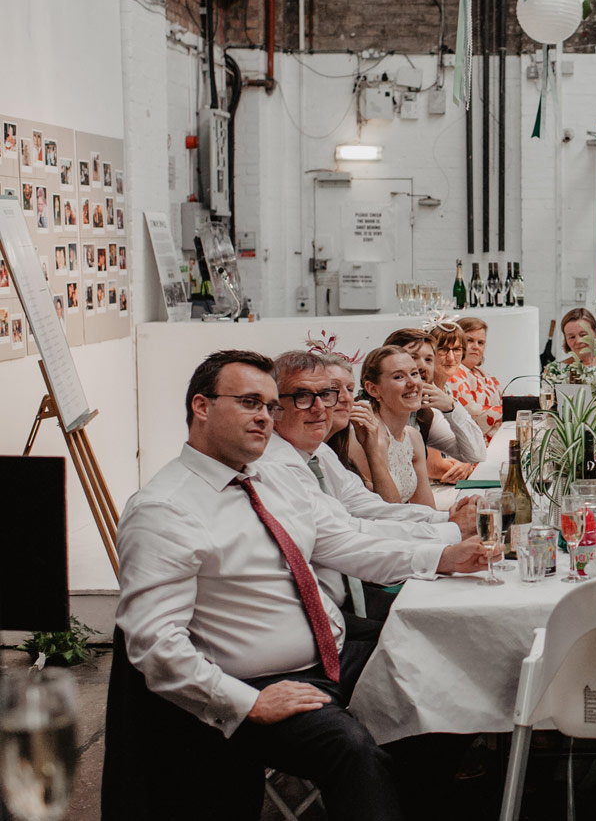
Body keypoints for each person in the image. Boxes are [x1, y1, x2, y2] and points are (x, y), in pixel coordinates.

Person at [112, 350, 486, 819]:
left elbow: (347, 543)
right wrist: (248, 702)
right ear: (202, 407)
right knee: (352, 750)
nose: (265, 418)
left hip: (332, 655)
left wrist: (444, 556)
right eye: (250, 402)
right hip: (262, 682)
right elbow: (152, 644)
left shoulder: (270, 478)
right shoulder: (164, 509)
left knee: (447, 687)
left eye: (270, 406)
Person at [264, 351, 476, 622]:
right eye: (302, 397)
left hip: (354, 590)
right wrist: (447, 539)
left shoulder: (318, 452)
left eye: (329, 393)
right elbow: (346, 538)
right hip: (325, 608)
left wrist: (446, 519)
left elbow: (369, 507)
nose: (323, 406)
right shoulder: (277, 464)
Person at [384, 327, 486, 478]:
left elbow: (476, 454)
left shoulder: (425, 414)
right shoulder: (368, 415)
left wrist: (452, 407)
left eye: (428, 359)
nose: (422, 366)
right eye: (413, 357)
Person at [354, 346, 438, 508]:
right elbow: (388, 512)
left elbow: (426, 508)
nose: (413, 383)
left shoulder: (413, 436)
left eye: (414, 374)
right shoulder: (370, 438)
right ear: (373, 389)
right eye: (399, 377)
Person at [448, 316, 506, 442]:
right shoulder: (454, 372)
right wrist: (510, 410)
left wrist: (528, 402)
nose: (476, 347)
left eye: (480, 343)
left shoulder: (483, 374)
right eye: (470, 340)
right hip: (473, 447)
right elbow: (471, 412)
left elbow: (506, 400)